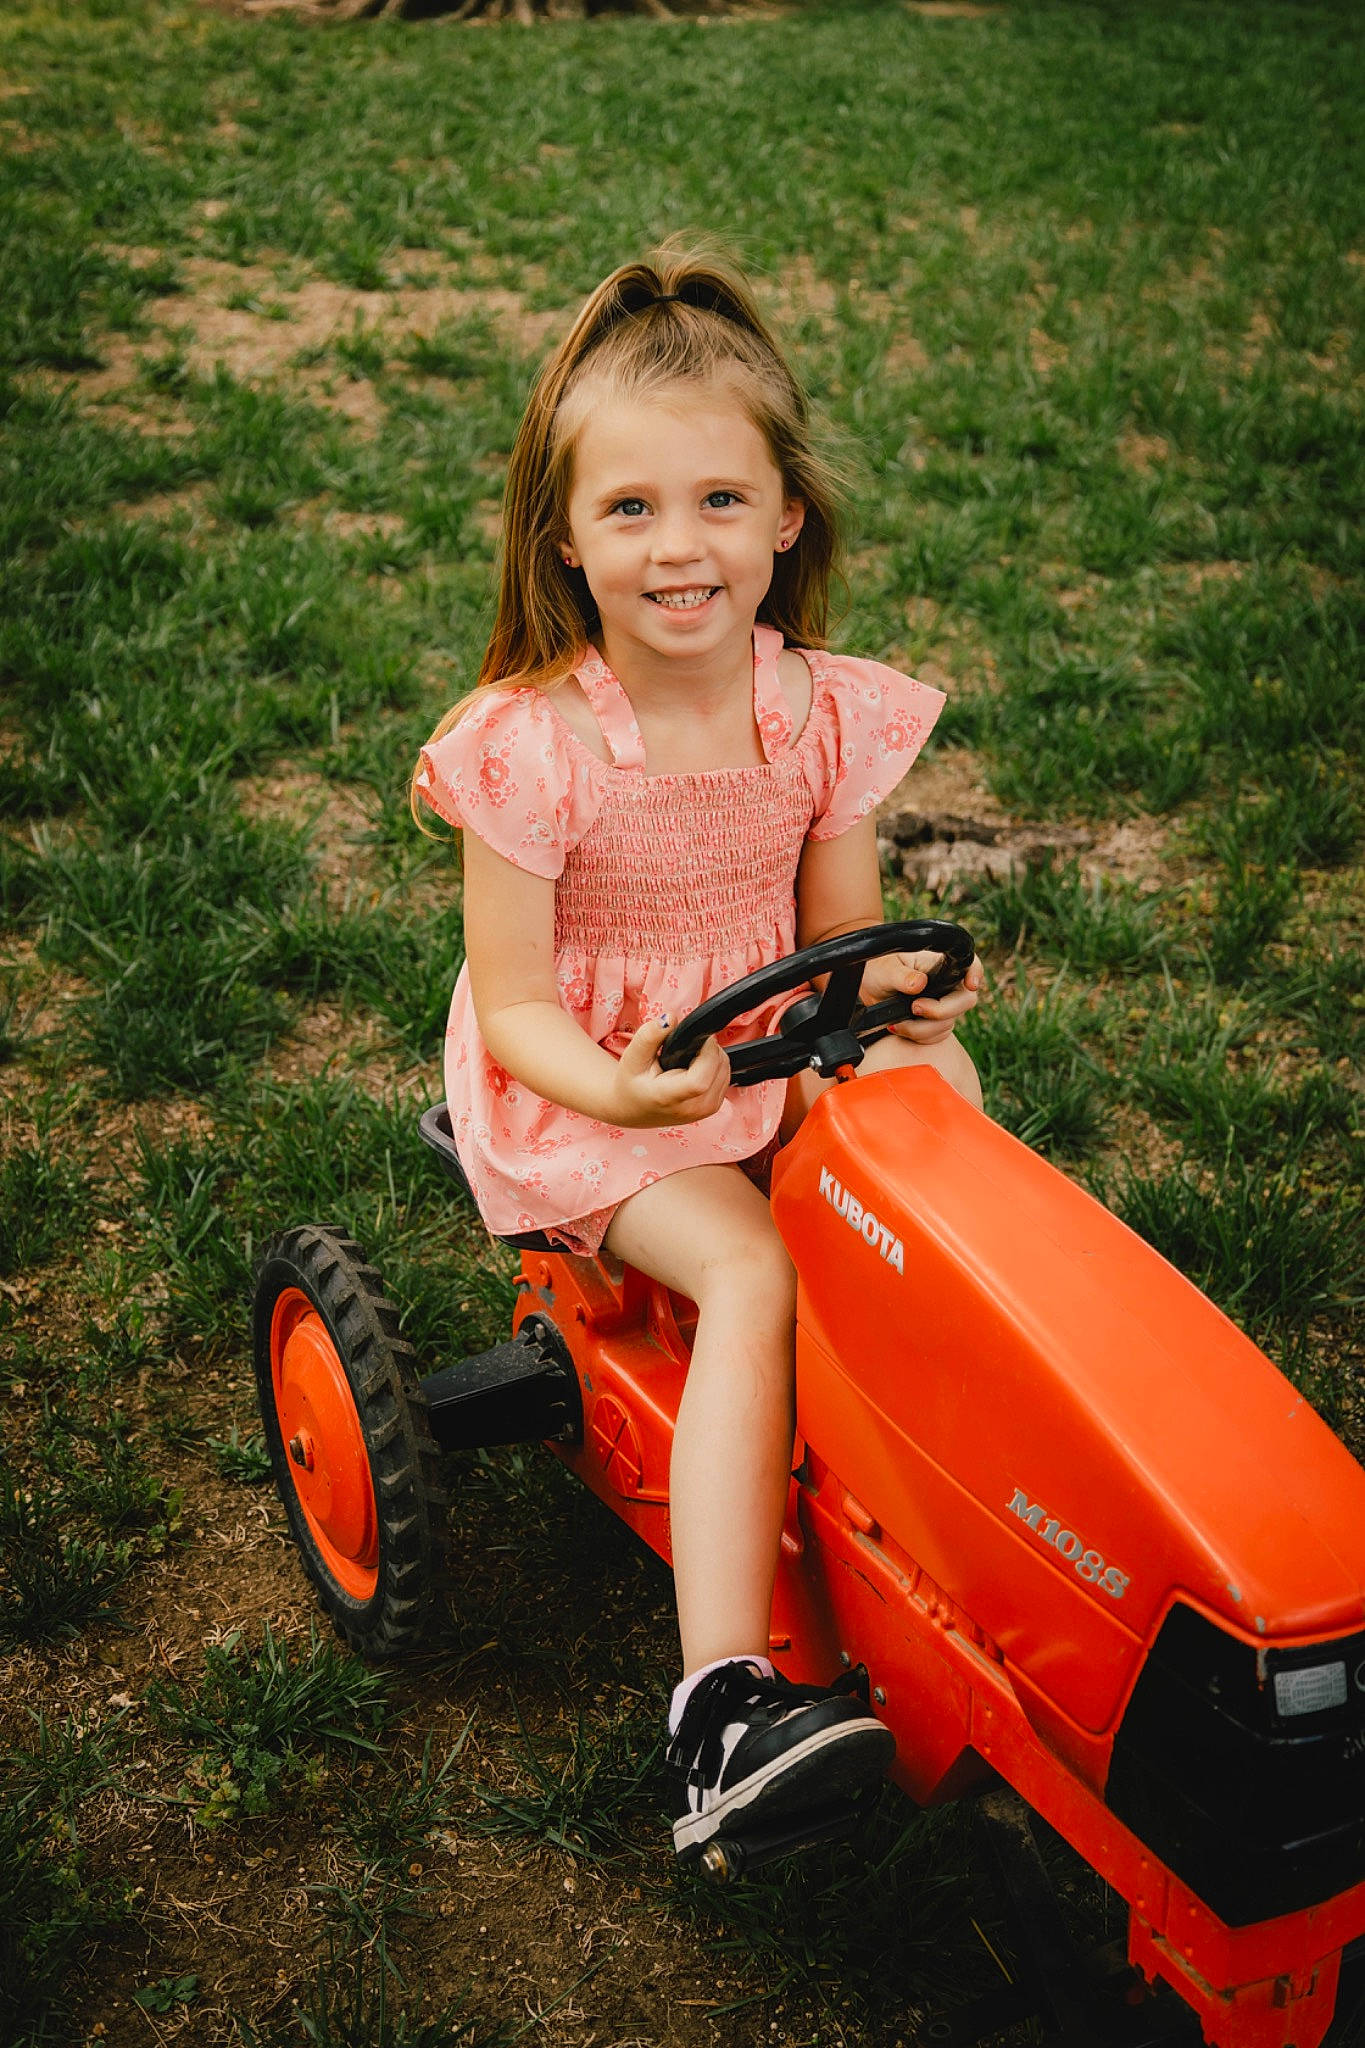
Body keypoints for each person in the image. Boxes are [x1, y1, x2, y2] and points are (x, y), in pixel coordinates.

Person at [412, 246, 984, 1868]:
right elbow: (515, 1004)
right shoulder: (532, 745)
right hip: (596, 1084)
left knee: (947, 1139)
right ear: (567, 540)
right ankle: (722, 1706)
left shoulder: (814, 713)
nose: (680, 546)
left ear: (786, 516)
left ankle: (976, 1491)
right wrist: (621, 1087)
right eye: (632, 509)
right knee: (748, 1269)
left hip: (767, 1036)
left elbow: (840, 933)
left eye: (721, 501)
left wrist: (896, 994)